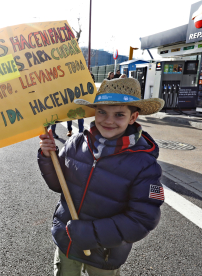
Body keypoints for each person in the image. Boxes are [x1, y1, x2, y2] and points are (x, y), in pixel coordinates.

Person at [38, 78, 165, 276]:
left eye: (119, 114)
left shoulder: (144, 164)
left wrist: (91, 234)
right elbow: (59, 185)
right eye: (102, 112)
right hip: (67, 243)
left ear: (133, 117)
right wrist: (47, 158)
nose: (108, 120)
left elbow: (143, 219)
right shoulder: (76, 142)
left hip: (105, 253)